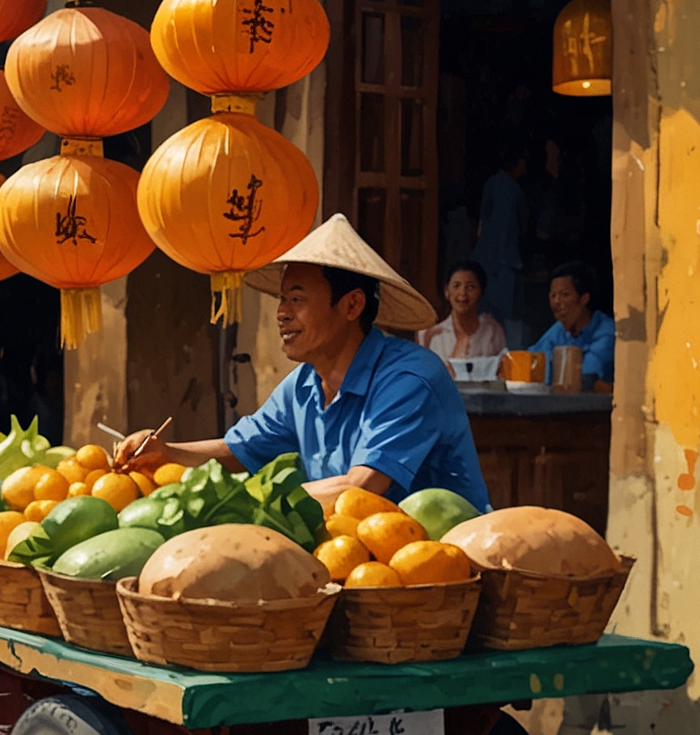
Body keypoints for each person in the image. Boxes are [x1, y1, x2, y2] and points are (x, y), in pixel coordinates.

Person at [123, 215, 490, 512]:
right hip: (353, 558)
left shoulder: (410, 378)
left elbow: (362, 488)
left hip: (442, 570)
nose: (281, 314)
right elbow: (239, 451)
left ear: (351, 306)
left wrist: (241, 505)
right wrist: (166, 452)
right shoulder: (303, 384)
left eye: (297, 299)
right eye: (283, 299)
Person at [528, 260, 615, 390]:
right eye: (553, 296)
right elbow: (532, 360)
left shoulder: (607, 332)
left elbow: (585, 379)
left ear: (584, 298)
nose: (557, 302)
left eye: (565, 295)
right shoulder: (558, 330)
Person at [416, 259, 508, 364]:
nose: (462, 293)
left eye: (470, 287)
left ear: (481, 292)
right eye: (456, 286)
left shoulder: (492, 331)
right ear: (447, 291)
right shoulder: (432, 334)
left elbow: (502, 373)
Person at [472, 153, 528, 324]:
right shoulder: (513, 190)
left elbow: (483, 218)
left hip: (486, 255)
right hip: (502, 259)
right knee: (501, 314)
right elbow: (517, 224)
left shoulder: (493, 184)